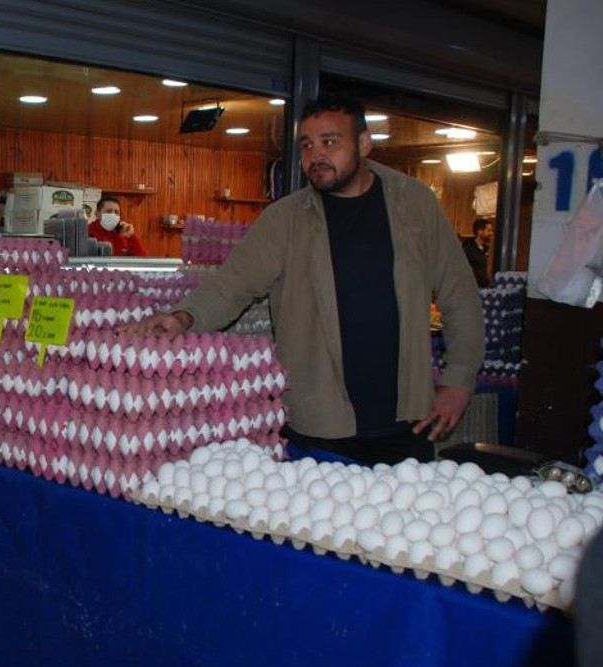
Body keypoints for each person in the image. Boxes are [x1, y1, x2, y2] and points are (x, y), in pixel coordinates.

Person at [123, 93, 484, 466]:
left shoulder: (414, 205)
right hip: (320, 429)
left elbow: (459, 293)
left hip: (406, 423)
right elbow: (231, 286)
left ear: (363, 144)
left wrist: (459, 378)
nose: (316, 156)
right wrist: (183, 317)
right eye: (307, 145)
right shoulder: (286, 220)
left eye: (330, 142)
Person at [464, 217, 494, 288]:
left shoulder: (485, 249)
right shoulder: (468, 249)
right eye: (488, 231)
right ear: (480, 231)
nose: (491, 233)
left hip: (483, 287)